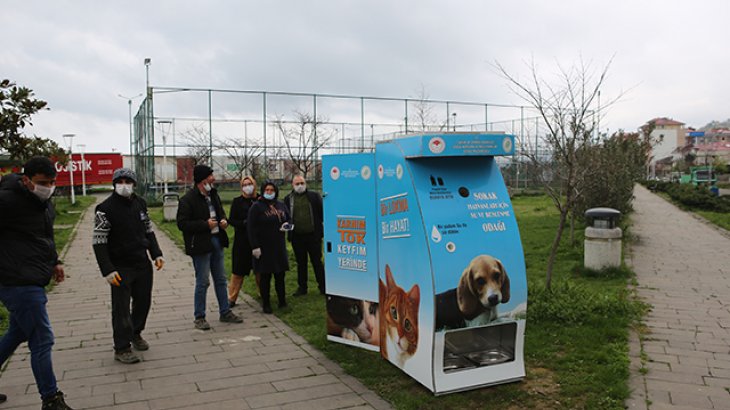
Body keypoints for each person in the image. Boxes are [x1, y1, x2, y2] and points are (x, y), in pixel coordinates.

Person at [0, 157, 73, 409]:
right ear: (26, 180)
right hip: (16, 280)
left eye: (52, 182)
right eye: (43, 183)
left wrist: (55, 261)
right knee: (42, 339)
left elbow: (45, 235)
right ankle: (51, 398)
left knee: (17, 333)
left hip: (33, 275)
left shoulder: (43, 202)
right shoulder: (7, 202)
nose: (48, 187)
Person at [92, 168, 165, 364]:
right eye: (120, 181)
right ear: (114, 183)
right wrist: (107, 269)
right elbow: (99, 242)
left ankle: (136, 332)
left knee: (143, 302)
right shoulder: (104, 209)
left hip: (141, 262)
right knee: (121, 308)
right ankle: (122, 347)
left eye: (128, 181)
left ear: (134, 184)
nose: (124, 184)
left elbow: (148, 230)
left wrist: (156, 253)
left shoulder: (140, 203)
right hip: (120, 266)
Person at [177, 164, 243, 330]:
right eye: (210, 176)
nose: (213, 179)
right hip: (200, 244)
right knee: (203, 281)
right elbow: (182, 223)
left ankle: (225, 312)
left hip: (217, 240)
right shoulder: (187, 199)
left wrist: (223, 221)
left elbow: (220, 212)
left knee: (221, 279)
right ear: (202, 180)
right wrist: (204, 224)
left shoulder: (214, 195)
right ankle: (199, 317)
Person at [247, 181, 290, 313]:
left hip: (279, 246)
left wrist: (287, 225)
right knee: (265, 276)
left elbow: (289, 219)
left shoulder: (281, 205)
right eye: (267, 190)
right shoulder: (256, 207)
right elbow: (251, 227)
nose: (269, 192)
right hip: (263, 247)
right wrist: (255, 246)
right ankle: (266, 303)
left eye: (272, 190)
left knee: (280, 275)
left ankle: (282, 301)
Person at [283, 175, 325, 296]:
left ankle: (323, 286)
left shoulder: (314, 196)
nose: (300, 186)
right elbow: (286, 216)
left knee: (317, 262)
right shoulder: (288, 199)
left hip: (313, 236)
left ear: (306, 183)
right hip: (297, 237)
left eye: (302, 183)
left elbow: (321, 213)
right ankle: (302, 287)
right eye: (297, 184)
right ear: (292, 185)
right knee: (301, 263)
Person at [227, 175, 259, 307]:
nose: (247, 187)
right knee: (238, 272)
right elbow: (232, 220)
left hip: (258, 240)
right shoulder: (237, 202)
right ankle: (231, 298)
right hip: (242, 241)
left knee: (260, 271)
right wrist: (244, 223)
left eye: (249, 184)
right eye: (244, 185)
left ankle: (263, 294)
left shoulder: (260, 200)